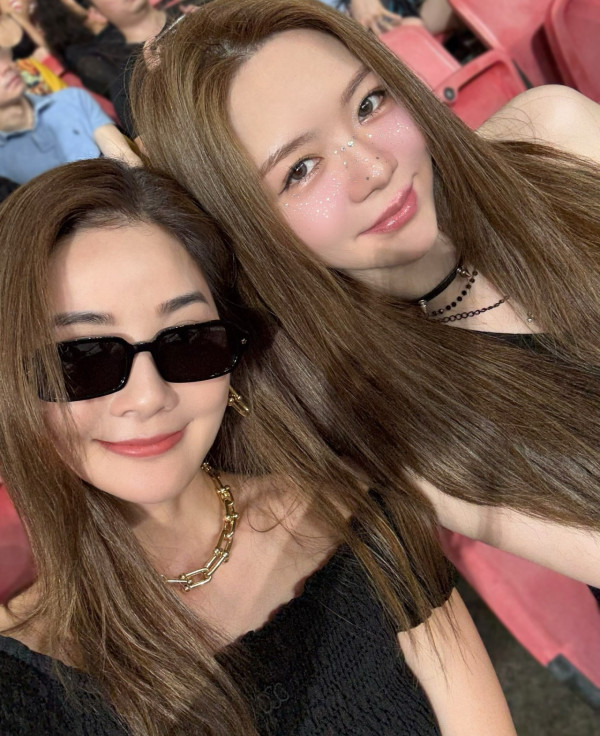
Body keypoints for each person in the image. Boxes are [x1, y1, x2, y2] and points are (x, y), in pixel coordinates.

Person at [0, 158, 515, 735]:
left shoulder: (354, 514)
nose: (148, 396)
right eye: (83, 358)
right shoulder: (22, 685)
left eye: (188, 341)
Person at [132, 0, 600, 590]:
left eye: (369, 104)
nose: (374, 168)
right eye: (299, 170)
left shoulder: (558, 137)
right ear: (246, 231)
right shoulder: (400, 420)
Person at [0, 46, 139, 184]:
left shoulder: (72, 99)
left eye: (1, 55)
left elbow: (124, 157)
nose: (5, 67)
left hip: (122, 189)